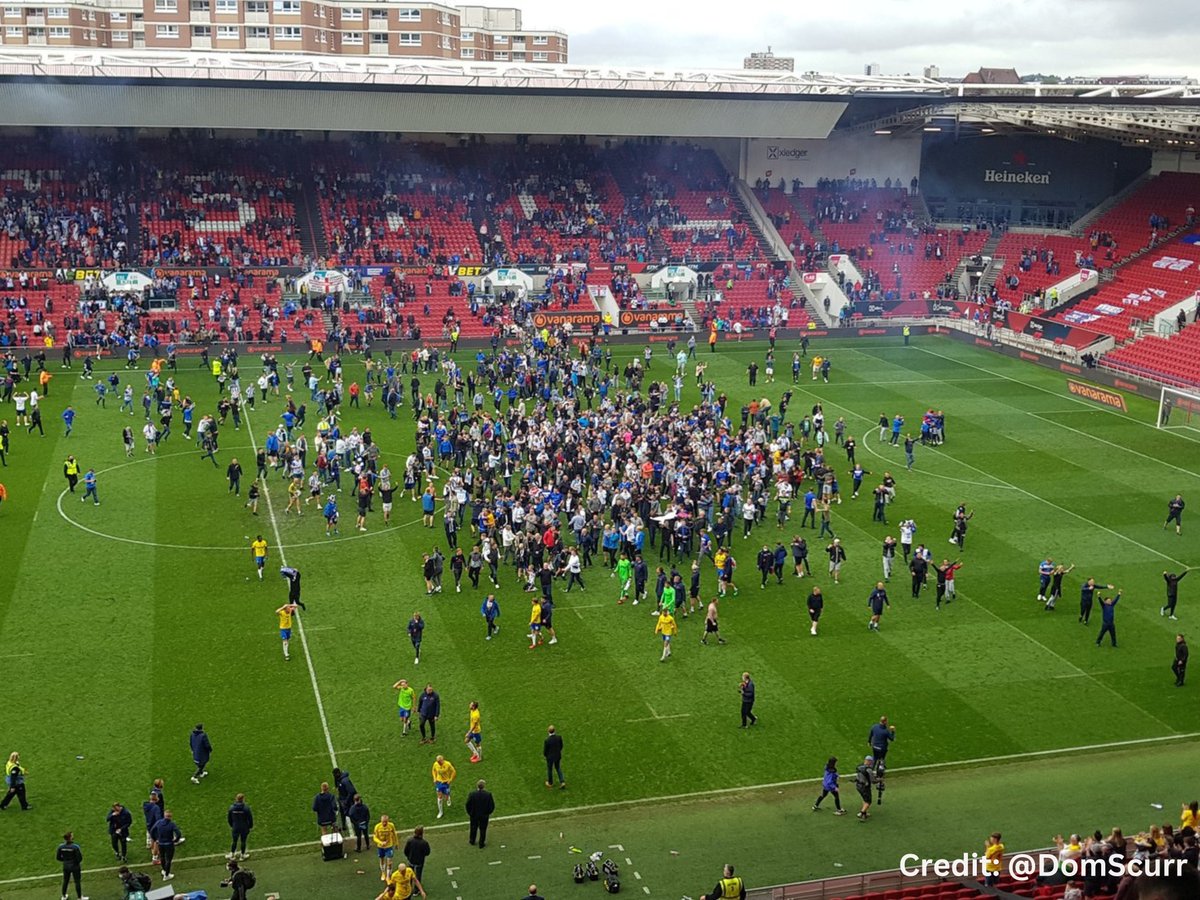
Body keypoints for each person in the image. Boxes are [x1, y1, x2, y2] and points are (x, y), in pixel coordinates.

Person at [150, 810, 183, 881]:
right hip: (169, 844)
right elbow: (178, 833)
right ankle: (166, 875)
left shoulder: (159, 822)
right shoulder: (172, 824)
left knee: (162, 857)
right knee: (168, 859)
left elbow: (152, 831)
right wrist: (175, 840)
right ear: (170, 817)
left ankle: (164, 870)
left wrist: (155, 839)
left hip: (161, 844)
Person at [465, 779, 495, 848]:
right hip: (484, 816)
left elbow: (468, 805)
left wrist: (470, 813)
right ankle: (481, 843)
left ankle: (472, 840)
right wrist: (488, 813)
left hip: (474, 815)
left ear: (477, 786)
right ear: (484, 786)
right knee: (483, 829)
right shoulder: (488, 795)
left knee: (473, 828)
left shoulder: (472, 794)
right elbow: (491, 806)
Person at [56, 830, 85, 900]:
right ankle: (79, 897)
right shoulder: (75, 847)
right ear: (70, 838)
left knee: (65, 881)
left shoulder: (61, 847)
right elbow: (79, 858)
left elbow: (58, 857)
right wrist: (75, 862)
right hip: (75, 866)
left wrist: (65, 861)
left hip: (66, 866)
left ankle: (63, 896)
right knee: (77, 881)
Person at [227, 792, 253, 860]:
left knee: (234, 841)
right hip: (244, 827)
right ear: (243, 799)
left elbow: (229, 818)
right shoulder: (246, 808)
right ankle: (242, 855)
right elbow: (250, 818)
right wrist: (250, 826)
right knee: (243, 841)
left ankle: (232, 854)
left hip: (235, 827)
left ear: (236, 799)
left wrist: (232, 825)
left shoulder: (232, 808)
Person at [373, 813, 399, 882]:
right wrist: (381, 842)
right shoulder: (377, 827)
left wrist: (396, 843)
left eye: (386, 822)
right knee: (382, 859)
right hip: (380, 847)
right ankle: (383, 873)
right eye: (383, 822)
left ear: (388, 821)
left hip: (389, 846)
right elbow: (375, 837)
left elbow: (394, 834)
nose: (384, 823)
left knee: (389, 862)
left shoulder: (391, 825)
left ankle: (388, 876)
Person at [431, 755, 456, 820]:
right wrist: (434, 778)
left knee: (446, 796)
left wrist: (450, 779)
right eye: (437, 761)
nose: (438, 763)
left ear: (442, 760)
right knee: (439, 797)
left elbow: (453, 771)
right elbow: (433, 770)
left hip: (446, 782)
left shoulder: (448, 764)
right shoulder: (435, 764)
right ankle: (440, 812)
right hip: (439, 782)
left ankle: (448, 798)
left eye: (439, 761)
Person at [543, 725, 565, 789]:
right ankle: (562, 781)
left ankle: (550, 783)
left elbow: (545, 750)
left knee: (550, 769)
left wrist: (546, 755)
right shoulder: (559, 737)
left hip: (550, 757)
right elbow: (561, 746)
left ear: (548, 731)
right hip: (557, 756)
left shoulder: (547, 740)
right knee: (558, 768)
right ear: (554, 730)